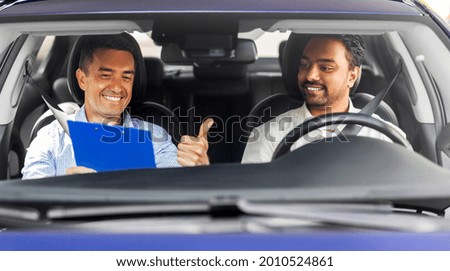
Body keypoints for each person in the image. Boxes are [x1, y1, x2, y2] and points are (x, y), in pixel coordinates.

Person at [22, 34, 212, 179]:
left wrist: (198, 173)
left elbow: (177, 194)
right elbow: (28, 202)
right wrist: (70, 191)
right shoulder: (51, 138)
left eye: (126, 77)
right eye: (105, 75)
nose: (117, 87)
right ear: (82, 79)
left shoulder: (155, 137)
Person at [241, 34, 408, 163]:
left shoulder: (383, 135)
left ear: (352, 76)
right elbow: (250, 195)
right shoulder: (269, 135)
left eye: (326, 68)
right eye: (304, 65)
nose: (310, 75)